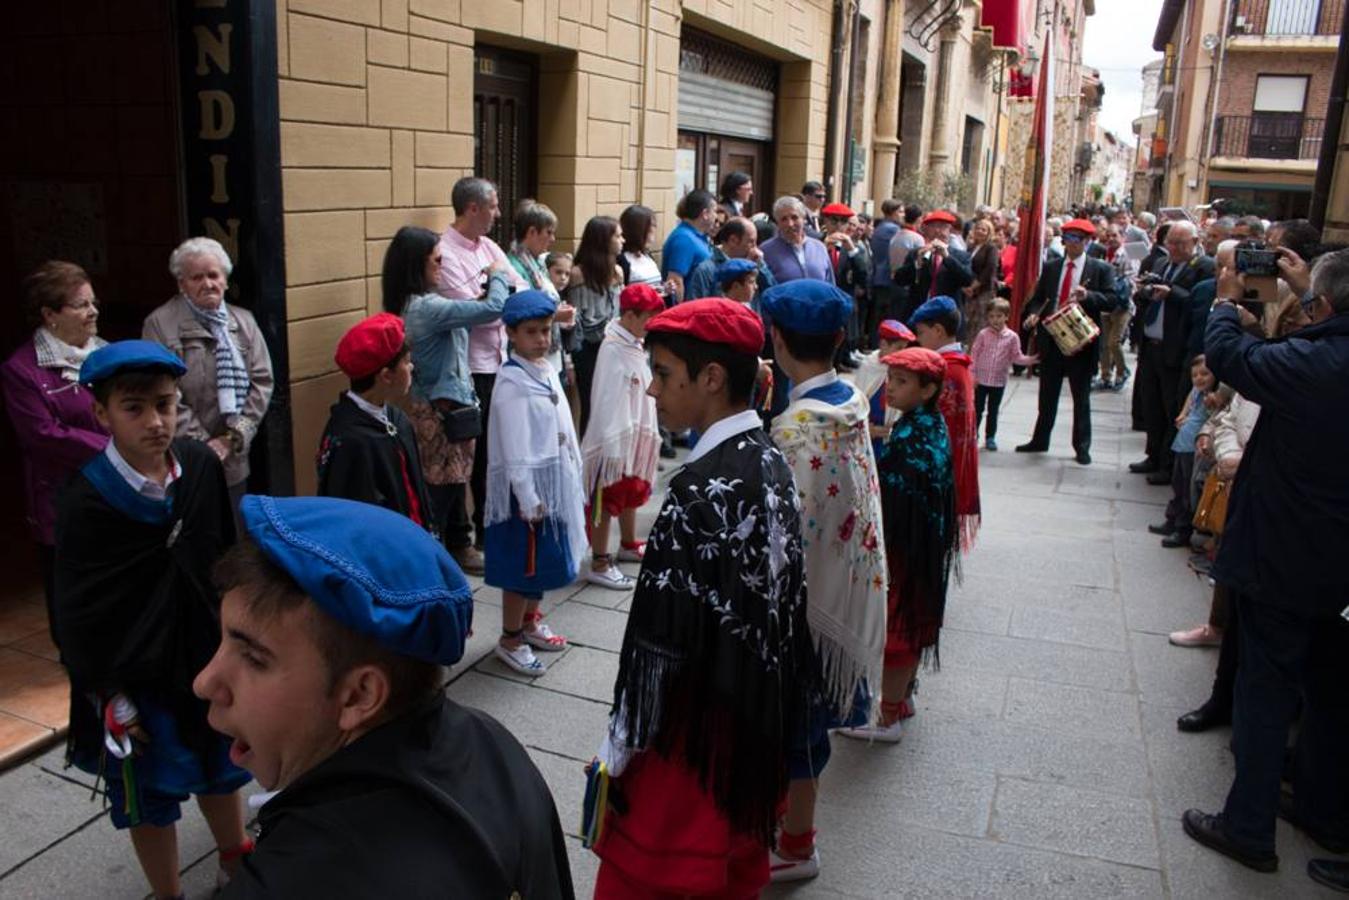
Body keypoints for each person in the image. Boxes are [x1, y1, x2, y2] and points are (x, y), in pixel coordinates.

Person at [196, 495, 575, 898]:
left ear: (360, 695)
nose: (204, 682)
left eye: (253, 657)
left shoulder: (288, 882)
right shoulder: (493, 745)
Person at [589, 297, 816, 899]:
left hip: (694, 738)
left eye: (663, 374)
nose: (652, 391)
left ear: (711, 378)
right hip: (748, 724)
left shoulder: (697, 487)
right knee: (727, 868)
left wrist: (622, 738)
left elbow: (661, 634)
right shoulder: (770, 458)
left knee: (655, 871)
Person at [55, 341, 250, 900]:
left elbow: (222, 558)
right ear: (101, 413)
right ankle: (168, 893)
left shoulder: (200, 469)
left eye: (165, 404)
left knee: (222, 761)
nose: (155, 421)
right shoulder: (86, 500)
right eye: (134, 408)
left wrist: (237, 638)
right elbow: (76, 611)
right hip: (137, 676)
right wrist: (110, 694)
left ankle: (235, 857)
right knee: (150, 793)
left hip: (202, 657)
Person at [1181, 249, 1349, 885]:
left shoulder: (1315, 361)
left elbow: (1234, 360)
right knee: (1333, 691)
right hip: (1340, 568)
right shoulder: (1323, 348)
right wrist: (1309, 294)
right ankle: (1322, 809)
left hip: (1287, 556)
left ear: (1326, 307)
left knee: (1267, 686)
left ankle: (1248, 826)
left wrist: (1226, 304)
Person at [760, 280, 887, 882]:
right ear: (839, 338)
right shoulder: (851, 403)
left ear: (777, 341)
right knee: (805, 726)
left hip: (804, 607)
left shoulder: (796, 430)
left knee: (798, 729)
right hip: (840, 587)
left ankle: (797, 843)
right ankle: (791, 826)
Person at [837, 347, 958, 744]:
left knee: (898, 632)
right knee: (911, 624)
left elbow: (895, 497)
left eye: (902, 382)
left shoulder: (912, 436)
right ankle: (900, 700)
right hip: (920, 550)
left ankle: (886, 717)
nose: (891, 387)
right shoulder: (927, 425)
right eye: (891, 378)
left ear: (928, 389)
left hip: (905, 552)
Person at [384, 225, 510, 575]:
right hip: (440, 414)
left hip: (443, 408)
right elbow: (494, 308)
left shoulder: (421, 305)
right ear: (416, 266)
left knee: (452, 485)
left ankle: (455, 547)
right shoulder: (425, 308)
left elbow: (466, 313)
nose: (442, 265)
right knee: (439, 492)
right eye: (436, 261)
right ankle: (426, 561)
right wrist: (498, 273)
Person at [0, 261, 108, 645]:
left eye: (93, 302)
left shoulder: (107, 354)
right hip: (61, 498)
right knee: (72, 595)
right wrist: (114, 448)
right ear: (49, 315)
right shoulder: (22, 370)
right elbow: (43, 435)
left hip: (111, 490)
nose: (93, 311)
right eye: (80, 305)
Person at [484, 291, 585, 677]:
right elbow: (515, 447)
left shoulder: (543, 368)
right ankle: (510, 638)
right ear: (511, 333)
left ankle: (529, 621)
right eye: (531, 332)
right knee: (521, 567)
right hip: (525, 495)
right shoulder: (511, 382)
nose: (542, 339)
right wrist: (527, 495)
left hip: (552, 485)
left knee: (541, 563)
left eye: (546, 330)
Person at [142, 237, 274, 520]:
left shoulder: (244, 322)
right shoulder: (159, 324)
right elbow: (163, 393)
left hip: (234, 457)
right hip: (183, 456)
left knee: (234, 533)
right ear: (181, 284)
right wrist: (203, 446)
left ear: (225, 280)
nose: (208, 283)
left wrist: (231, 440)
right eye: (196, 277)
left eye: (213, 275)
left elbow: (262, 382)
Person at [436, 177, 530, 570]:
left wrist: (497, 288)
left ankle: (489, 527)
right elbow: (472, 308)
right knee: (464, 457)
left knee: (495, 451)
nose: (497, 213)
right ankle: (461, 540)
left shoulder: (489, 247)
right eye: (492, 206)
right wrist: (497, 288)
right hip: (468, 368)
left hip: (500, 360)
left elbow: (521, 289)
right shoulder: (445, 252)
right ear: (472, 208)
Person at [579, 283, 664, 591]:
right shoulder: (614, 347)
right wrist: (612, 443)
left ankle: (628, 544)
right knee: (608, 496)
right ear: (629, 315)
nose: (652, 324)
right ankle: (600, 562)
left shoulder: (632, 341)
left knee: (632, 490)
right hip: (615, 437)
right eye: (648, 318)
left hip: (633, 432)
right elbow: (608, 398)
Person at [1014, 218, 1118, 465]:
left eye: (1076, 240)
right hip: (1052, 336)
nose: (1070, 244)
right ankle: (1040, 439)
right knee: (1046, 393)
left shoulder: (1100, 269)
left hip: (1080, 340)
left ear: (1086, 242)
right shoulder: (1052, 267)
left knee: (1080, 395)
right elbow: (1039, 298)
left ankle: (1082, 446)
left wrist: (1089, 296)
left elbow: (1113, 299)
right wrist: (1033, 314)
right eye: (1067, 239)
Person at [316, 314, 431, 528]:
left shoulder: (397, 420)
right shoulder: (351, 440)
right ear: (386, 376)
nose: (412, 367)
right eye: (406, 362)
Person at [1130, 220, 1214, 483]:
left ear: (1194, 242)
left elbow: (1197, 303)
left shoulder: (1204, 268)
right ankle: (1152, 454)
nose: (1175, 248)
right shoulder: (1160, 264)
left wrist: (1172, 293)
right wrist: (1144, 291)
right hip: (1151, 346)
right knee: (1151, 405)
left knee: (1170, 408)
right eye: (1171, 243)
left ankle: (1167, 465)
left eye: (1180, 243)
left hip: (1173, 350)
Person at [910, 296, 980, 547]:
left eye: (921, 332)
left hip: (939, 478)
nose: (917, 339)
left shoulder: (945, 370)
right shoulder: (957, 364)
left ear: (938, 331)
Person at [1151, 355, 1215, 549]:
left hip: (1194, 448)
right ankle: (1173, 519)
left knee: (1188, 489)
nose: (1199, 378)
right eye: (1195, 375)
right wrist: (1183, 414)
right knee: (1178, 484)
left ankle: (1183, 528)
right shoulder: (1196, 391)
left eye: (1204, 374)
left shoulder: (1212, 397)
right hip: (1183, 443)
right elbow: (1190, 396)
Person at [568, 215, 625, 433]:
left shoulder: (617, 271)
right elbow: (578, 321)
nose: (623, 240)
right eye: (618, 236)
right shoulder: (578, 274)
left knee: (615, 405)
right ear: (603, 240)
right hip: (588, 349)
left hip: (614, 344)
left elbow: (620, 310)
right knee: (592, 406)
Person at [970, 298, 1038, 451]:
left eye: (999, 316)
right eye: (992, 316)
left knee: (993, 410)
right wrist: (972, 375)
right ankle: (973, 435)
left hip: (998, 381)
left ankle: (990, 437)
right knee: (977, 409)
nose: (995, 320)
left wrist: (1031, 360)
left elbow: (1016, 357)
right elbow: (974, 355)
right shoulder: (983, 334)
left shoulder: (1012, 337)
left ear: (1006, 316)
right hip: (980, 380)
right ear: (988, 317)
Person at [894, 211, 974, 315]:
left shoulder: (961, 256)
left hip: (947, 314)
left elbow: (967, 280)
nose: (937, 231)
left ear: (950, 230)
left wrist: (947, 258)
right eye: (933, 226)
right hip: (919, 311)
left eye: (942, 227)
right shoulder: (916, 253)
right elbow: (900, 280)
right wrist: (917, 264)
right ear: (926, 230)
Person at [684, 216, 777, 300]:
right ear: (733, 241)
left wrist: (761, 266)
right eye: (751, 242)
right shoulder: (706, 270)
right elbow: (695, 307)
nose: (755, 248)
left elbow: (773, 294)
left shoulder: (754, 265)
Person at [761, 195, 835, 285]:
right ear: (777, 223)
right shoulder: (766, 251)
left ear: (803, 219)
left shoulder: (819, 247)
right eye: (784, 219)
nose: (790, 224)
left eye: (794, 217)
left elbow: (830, 285)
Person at [660, 189, 717, 302]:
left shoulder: (697, 237)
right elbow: (676, 280)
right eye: (714, 211)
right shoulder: (684, 239)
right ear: (705, 214)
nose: (716, 216)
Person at [868, 200, 903, 341]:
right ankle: (876, 342)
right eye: (900, 211)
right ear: (893, 213)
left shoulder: (881, 226)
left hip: (878, 274)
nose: (903, 215)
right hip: (885, 276)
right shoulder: (892, 229)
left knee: (878, 313)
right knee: (882, 314)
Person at [888, 204, 928, 322]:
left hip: (894, 281)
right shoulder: (917, 239)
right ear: (919, 219)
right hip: (907, 284)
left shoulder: (896, 235)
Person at [963, 218, 1000, 342]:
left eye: (984, 229)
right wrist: (966, 287)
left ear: (989, 232)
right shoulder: (971, 247)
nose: (980, 231)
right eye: (978, 228)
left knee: (980, 323)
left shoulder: (991, 248)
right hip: (969, 291)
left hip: (984, 290)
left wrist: (974, 286)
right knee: (968, 323)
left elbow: (989, 269)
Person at [617, 204, 667, 293]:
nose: (654, 231)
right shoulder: (622, 260)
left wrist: (665, 288)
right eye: (651, 227)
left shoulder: (647, 256)